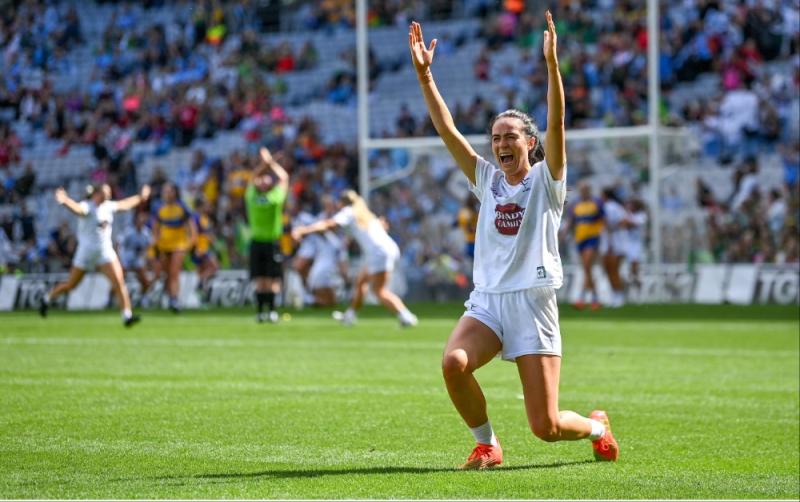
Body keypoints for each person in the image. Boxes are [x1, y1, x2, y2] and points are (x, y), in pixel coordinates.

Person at [409, 14, 618, 470]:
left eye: (510, 137)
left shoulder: (547, 180)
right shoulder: (487, 179)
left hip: (533, 301)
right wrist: (425, 74)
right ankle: (487, 444)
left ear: (529, 142)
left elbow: (559, 125)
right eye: (495, 137)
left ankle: (598, 425)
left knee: (547, 428)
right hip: (488, 300)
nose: (501, 143)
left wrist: (552, 64)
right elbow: (447, 131)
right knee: (453, 363)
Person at [292, 190, 418, 327]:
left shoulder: (348, 211)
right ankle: (350, 315)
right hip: (383, 250)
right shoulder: (365, 214)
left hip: (377, 253)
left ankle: (405, 316)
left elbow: (329, 224)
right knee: (361, 282)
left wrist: (303, 230)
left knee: (379, 291)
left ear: (342, 202)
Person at [40, 183, 151, 327]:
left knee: (119, 281)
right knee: (71, 285)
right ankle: (47, 298)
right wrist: (66, 201)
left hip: (104, 253)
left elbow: (125, 204)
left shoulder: (108, 206)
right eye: (106, 191)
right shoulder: (88, 206)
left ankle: (127, 316)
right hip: (85, 253)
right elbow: (78, 210)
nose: (109, 194)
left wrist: (141, 197)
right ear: (97, 193)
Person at [246, 146, 289, 323]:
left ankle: (270, 311)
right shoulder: (251, 196)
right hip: (257, 242)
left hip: (271, 241)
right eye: (260, 179)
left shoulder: (275, 196)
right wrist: (269, 164)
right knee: (260, 279)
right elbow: (282, 177)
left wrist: (268, 163)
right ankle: (261, 312)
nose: (262, 181)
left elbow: (284, 178)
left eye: (266, 179)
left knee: (272, 279)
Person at [152, 182, 197, 313]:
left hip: (179, 244)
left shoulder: (182, 207)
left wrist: (190, 243)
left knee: (174, 273)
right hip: (164, 245)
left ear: (175, 193)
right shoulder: (159, 208)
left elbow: (192, 227)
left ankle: (174, 299)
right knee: (166, 274)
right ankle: (171, 297)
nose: (167, 194)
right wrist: (156, 243)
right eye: (165, 191)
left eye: (169, 191)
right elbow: (155, 228)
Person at [567, 182, 604, 310]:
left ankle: (585, 298)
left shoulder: (596, 203)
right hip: (580, 239)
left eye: (586, 190)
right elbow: (571, 221)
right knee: (586, 269)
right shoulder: (575, 205)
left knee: (587, 266)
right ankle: (593, 298)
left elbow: (603, 220)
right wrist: (563, 234)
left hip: (592, 239)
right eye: (582, 190)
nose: (584, 192)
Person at [117, 211, 154, 306]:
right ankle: (112, 298)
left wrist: (147, 258)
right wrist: (119, 259)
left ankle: (142, 297)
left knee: (145, 280)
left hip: (137, 259)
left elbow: (150, 246)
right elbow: (119, 244)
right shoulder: (128, 232)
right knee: (118, 279)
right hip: (126, 258)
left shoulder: (146, 233)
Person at [599, 187, 628, 308]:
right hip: (609, 242)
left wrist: (612, 227)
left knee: (613, 270)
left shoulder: (611, 207)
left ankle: (619, 295)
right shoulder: (615, 207)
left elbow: (624, 221)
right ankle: (615, 294)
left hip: (614, 243)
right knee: (609, 270)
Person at [191, 198, 219, 290]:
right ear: (201, 206)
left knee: (203, 269)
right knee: (214, 267)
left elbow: (206, 233)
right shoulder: (195, 217)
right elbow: (193, 233)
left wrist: (211, 239)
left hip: (204, 247)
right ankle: (199, 283)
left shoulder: (204, 217)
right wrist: (195, 248)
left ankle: (202, 289)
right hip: (199, 248)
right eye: (206, 204)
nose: (208, 207)